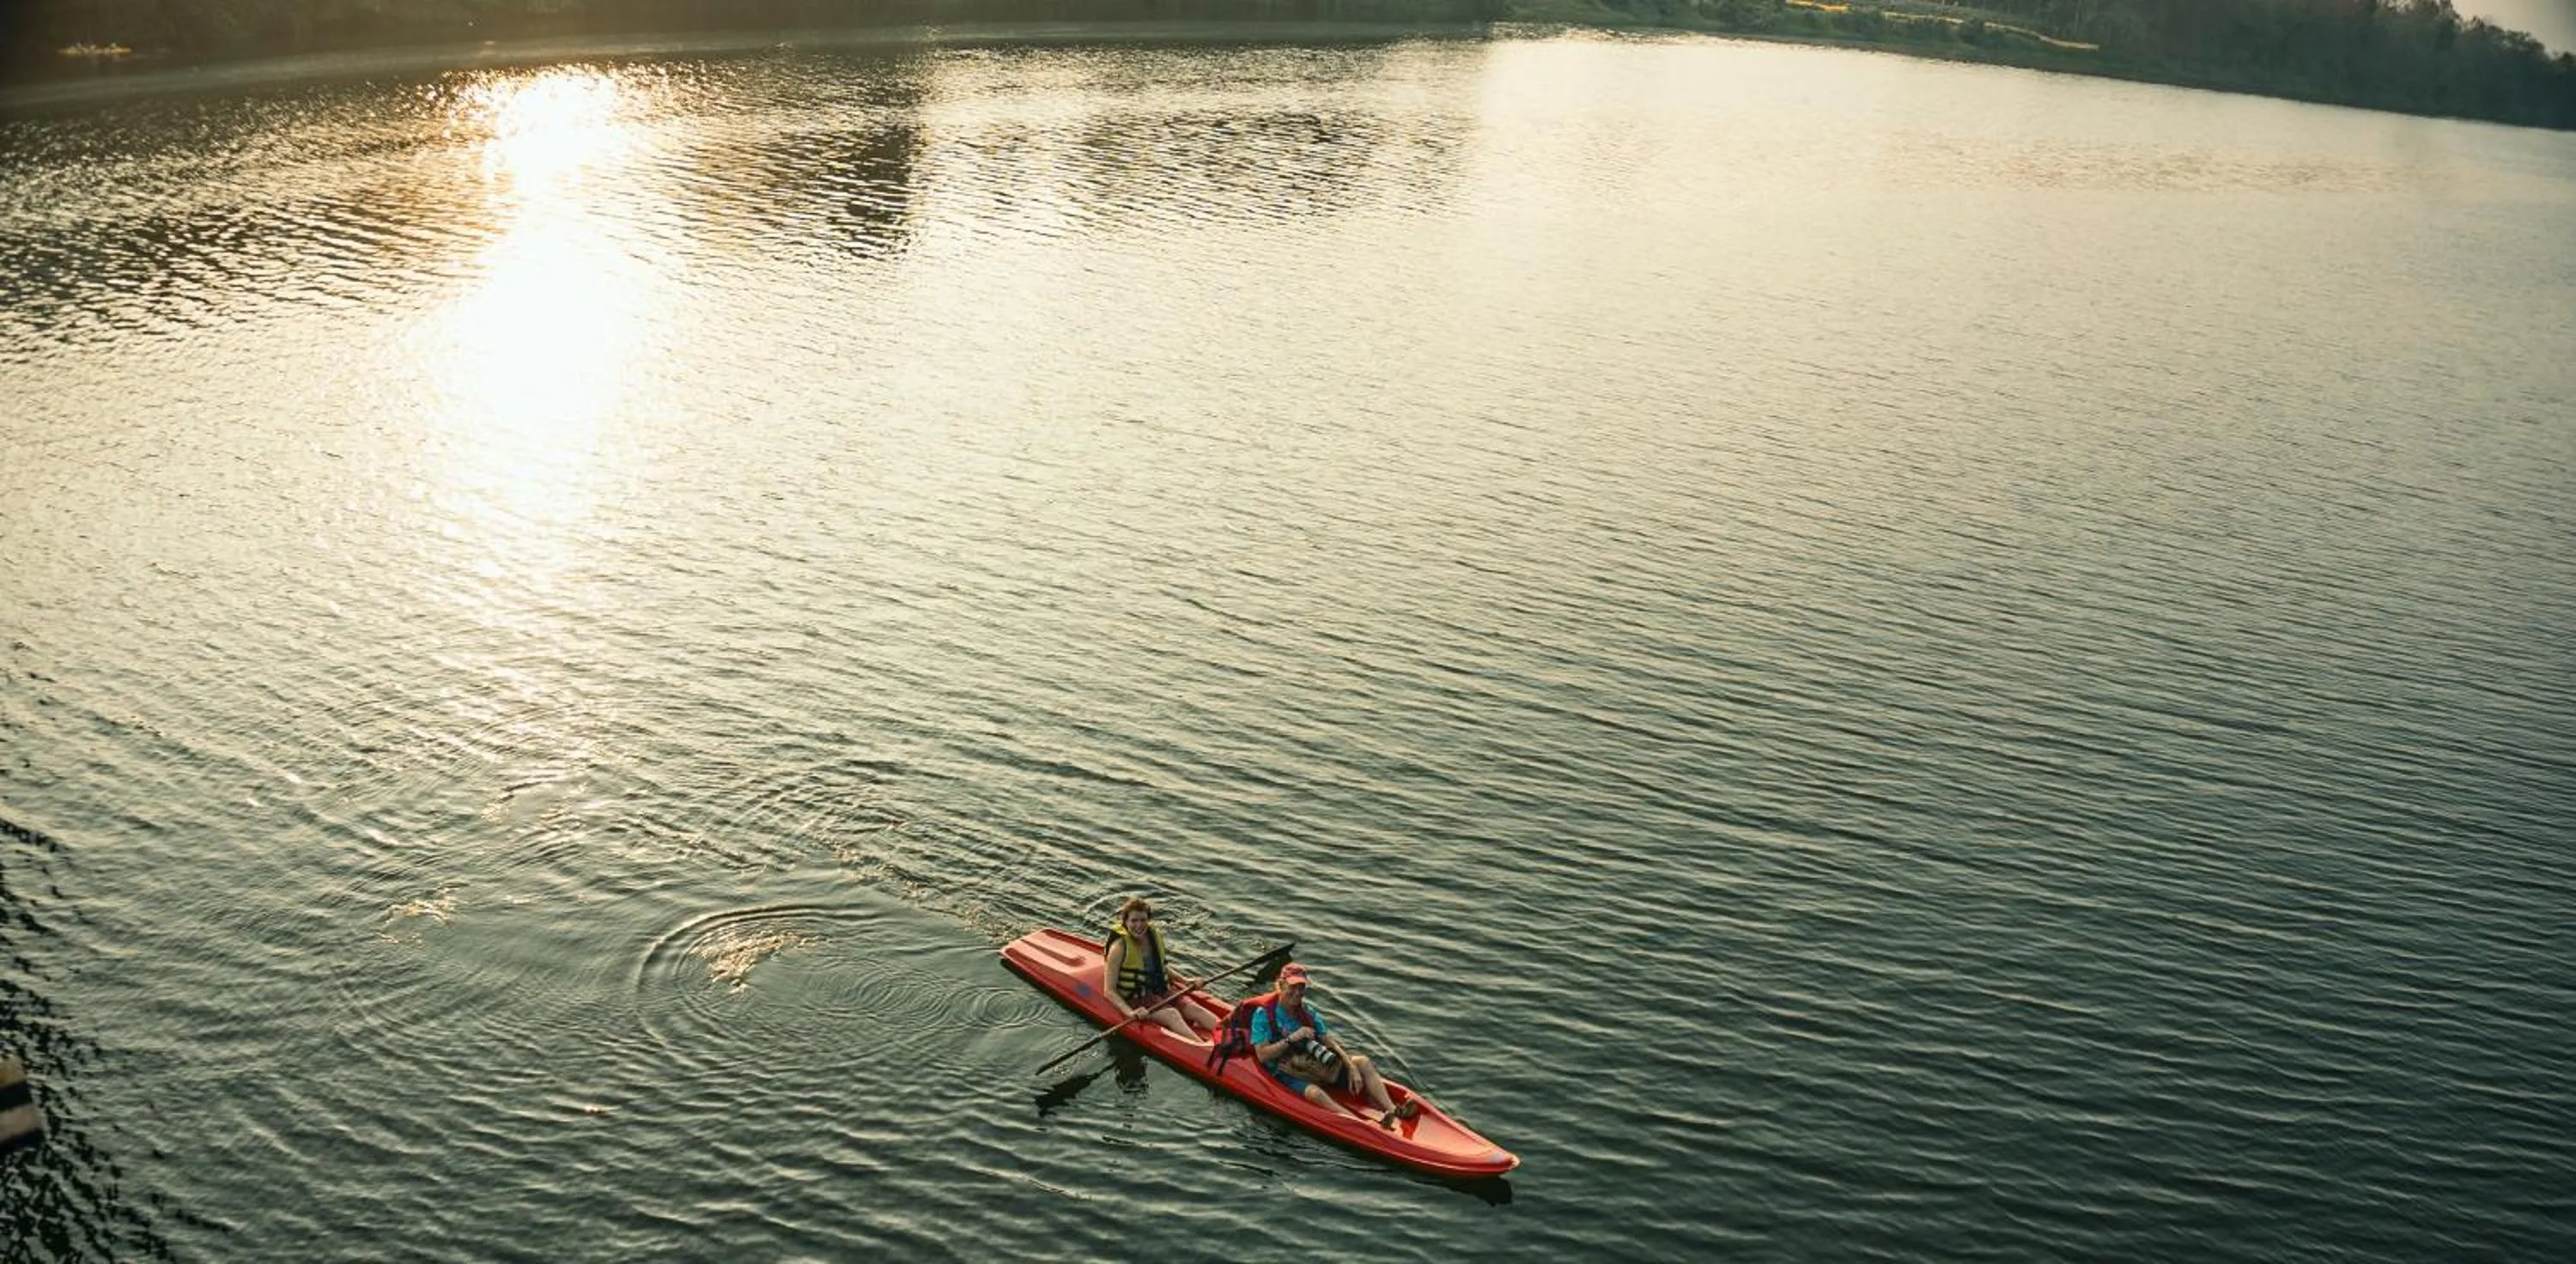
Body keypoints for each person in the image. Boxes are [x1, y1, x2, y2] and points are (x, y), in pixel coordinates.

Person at [1248, 962, 1418, 1129]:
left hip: (1311, 1063)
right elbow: (1262, 1055)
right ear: (1281, 984)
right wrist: (1292, 1038)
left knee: (1363, 1062)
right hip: (1285, 1070)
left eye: (1301, 987)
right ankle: (1364, 1126)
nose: (1298, 992)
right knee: (1315, 1093)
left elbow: (1328, 1041)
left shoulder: (1307, 1012)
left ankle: (1394, 1110)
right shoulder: (1263, 1015)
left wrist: (1351, 1066)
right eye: (1293, 987)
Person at [1101, 896, 1218, 1045]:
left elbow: (1160, 967)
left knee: (1195, 1009)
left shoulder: (1152, 936)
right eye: (1134, 921)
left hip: (1160, 989)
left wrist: (1185, 980)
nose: (1139, 925)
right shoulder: (1119, 948)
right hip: (1137, 998)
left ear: (1148, 920)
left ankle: (1233, 1034)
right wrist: (1130, 1012)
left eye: (1143, 920)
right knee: (1172, 1015)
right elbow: (1109, 991)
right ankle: (1203, 1049)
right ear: (1125, 922)